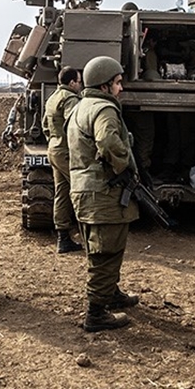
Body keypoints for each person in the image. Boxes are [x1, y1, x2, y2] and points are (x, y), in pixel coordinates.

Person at [67, 56, 140, 332]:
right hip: (103, 193)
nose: (121, 89)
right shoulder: (104, 110)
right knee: (105, 253)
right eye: (118, 83)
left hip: (86, 191)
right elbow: (109, 141)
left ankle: (110, 293)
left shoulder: (80, 107)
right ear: (105, 85)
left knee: (101, 247)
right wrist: (123, 168)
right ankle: (96, 313)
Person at [43, 66, 84, 253]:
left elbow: (45, 125)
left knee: (62, 193)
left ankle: (63, 238)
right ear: (72, 83)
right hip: (67, 152)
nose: (81, 84)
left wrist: (54, 141)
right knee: (81, 191)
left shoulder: (52, 98)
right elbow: (75, 125)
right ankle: (89, 235)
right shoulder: (70, 99)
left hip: (54, 149)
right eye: (79, 81)